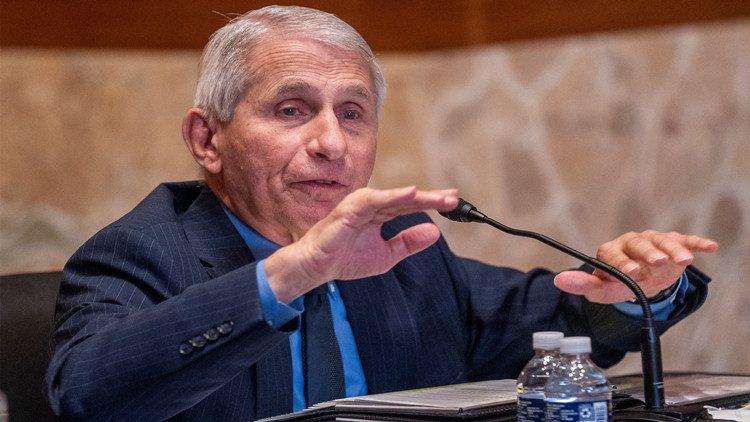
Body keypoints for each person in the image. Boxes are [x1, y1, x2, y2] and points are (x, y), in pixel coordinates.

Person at [45, 5, 718, 421]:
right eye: (292, 109)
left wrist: (634, 288)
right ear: (207, 140)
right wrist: (293, 272)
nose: (331, 142)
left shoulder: (403, 249)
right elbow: (86, 395)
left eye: (352, 113)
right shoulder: (139, 252)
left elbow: (560, 319)